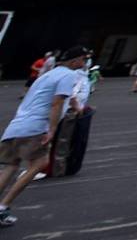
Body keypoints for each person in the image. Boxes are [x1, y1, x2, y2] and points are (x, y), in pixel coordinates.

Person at [0, 46, 91, 228]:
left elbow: (64, 99)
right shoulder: (68, 76)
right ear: (74, 61)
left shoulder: (49, 74)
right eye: (83, 59)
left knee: (11, 165)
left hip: (17, 124)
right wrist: (52, 129)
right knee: (39, 164)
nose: (84, 63)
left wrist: (75, 107)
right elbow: (57, 103)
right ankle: (3, 206)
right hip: (36, 126)